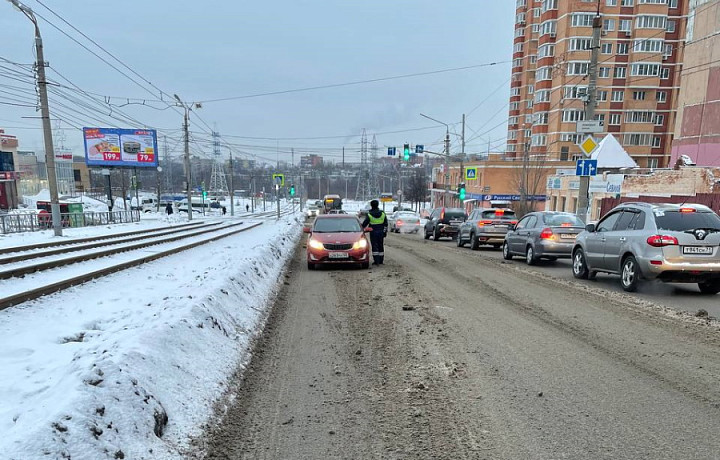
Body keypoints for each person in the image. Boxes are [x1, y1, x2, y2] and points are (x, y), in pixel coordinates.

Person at [361, 199, 388, 265]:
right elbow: (386, 224)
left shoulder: (369, 215)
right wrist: (384, 232)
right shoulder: (382, 213)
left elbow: (364, 224)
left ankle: (376, 261)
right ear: (378, 205)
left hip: (373, 233)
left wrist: (360, 228)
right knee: (380, 245)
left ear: (371, 205)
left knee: (374, 246)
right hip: (381, 232)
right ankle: (381, 261)